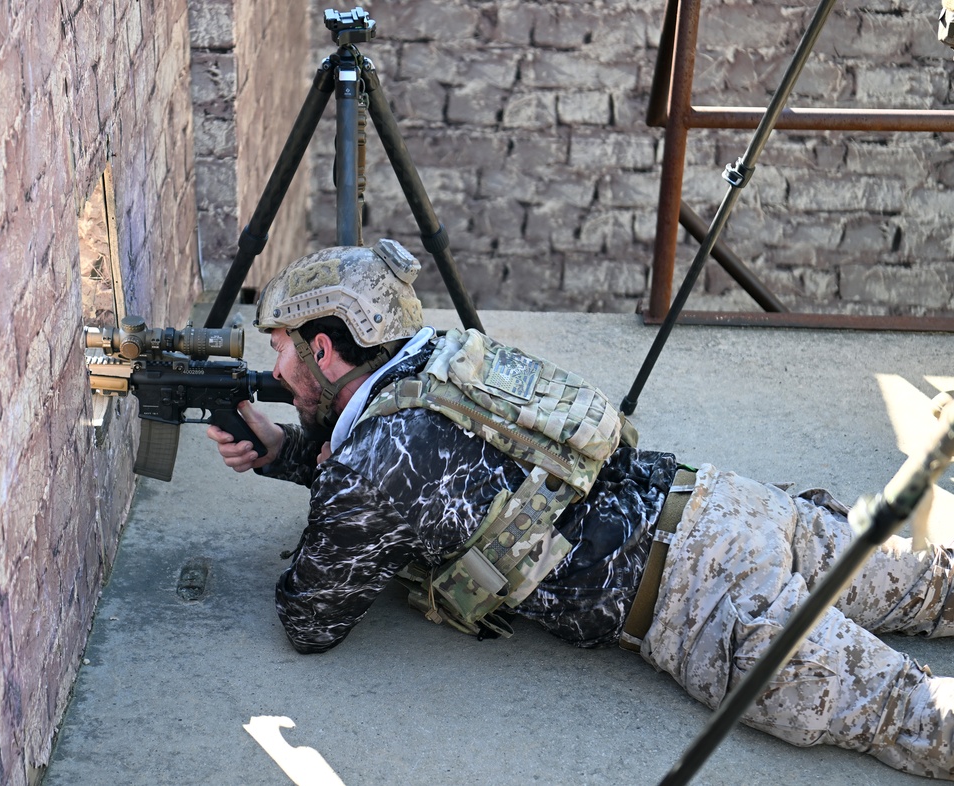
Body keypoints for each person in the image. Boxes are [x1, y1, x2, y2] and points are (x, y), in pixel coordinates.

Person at [207, 239, 954, 780]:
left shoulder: (370, 470)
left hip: (717, 609)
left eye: (282, 348)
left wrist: (316, 479)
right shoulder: (440, 359)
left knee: (923, 719)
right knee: (936, 582)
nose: (276, 370)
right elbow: (431, 481)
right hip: (729, 507)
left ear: (327, 349)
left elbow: (312, 619)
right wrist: (285, 452)